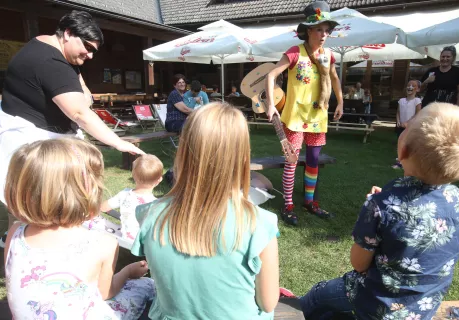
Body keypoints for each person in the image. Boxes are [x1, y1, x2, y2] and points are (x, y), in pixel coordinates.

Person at [297, 103, 459, 319]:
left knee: (317, 295)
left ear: (402, 150)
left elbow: (359, 264)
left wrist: (376, 209)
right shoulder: (458, 200)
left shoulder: (382, 205)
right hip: (422, 307)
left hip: (376, 302)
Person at [0, 10, 144, 247]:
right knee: (32, 203)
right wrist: (117, 142)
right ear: (68, 33)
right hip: (32, 144)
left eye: (93, 51)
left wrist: (83, 96)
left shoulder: (57, 53)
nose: (89, 55)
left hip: (46, 138)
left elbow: (84, 93)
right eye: (87, 47)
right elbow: (79, 112)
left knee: (45, 200)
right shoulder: (50, 62)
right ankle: (26, 252)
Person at [131, 103, 280, 320]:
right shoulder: (261, 224)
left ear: (183, 152)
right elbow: (268, 303)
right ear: (242, 157)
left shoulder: (149, 214)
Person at [3, 138, 156, 319]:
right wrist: (128, 272)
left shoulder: (15, 233)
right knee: (146, 285)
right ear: (87, 192)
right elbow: (107, 293)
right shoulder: (103, 243)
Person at [265, 1, 343, 226]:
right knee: (291, 161)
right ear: (308, 30)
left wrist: (340, 102)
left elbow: (335, 78)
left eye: (326, 30)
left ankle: (310, 202)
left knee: (313, 162)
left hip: (318, 117)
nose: (324, 34)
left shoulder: (329, 55)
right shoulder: (294, 53)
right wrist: (271, 104)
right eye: (319, 29)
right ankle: (288, 204)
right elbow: (271, 76)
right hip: (295, 118)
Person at [100, 154, 163, 241]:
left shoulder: (124, 194)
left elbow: (103, 207)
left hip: (125, 241)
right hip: (144, 246)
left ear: (133, 175)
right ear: (159, 180)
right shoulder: (158, 204)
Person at [393, 80, 422, 169]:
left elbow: (418, 114)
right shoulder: (401, 100)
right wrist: (398, 121)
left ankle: (405, 162)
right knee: (400, 143)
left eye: (413, 86)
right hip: (401, 126)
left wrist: (408, 123)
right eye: (408, 85)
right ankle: (400, 160)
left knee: (408, 144)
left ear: (417, 89)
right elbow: (398, 112)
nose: (410, 87)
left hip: (411, 127)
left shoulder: (417, 101)